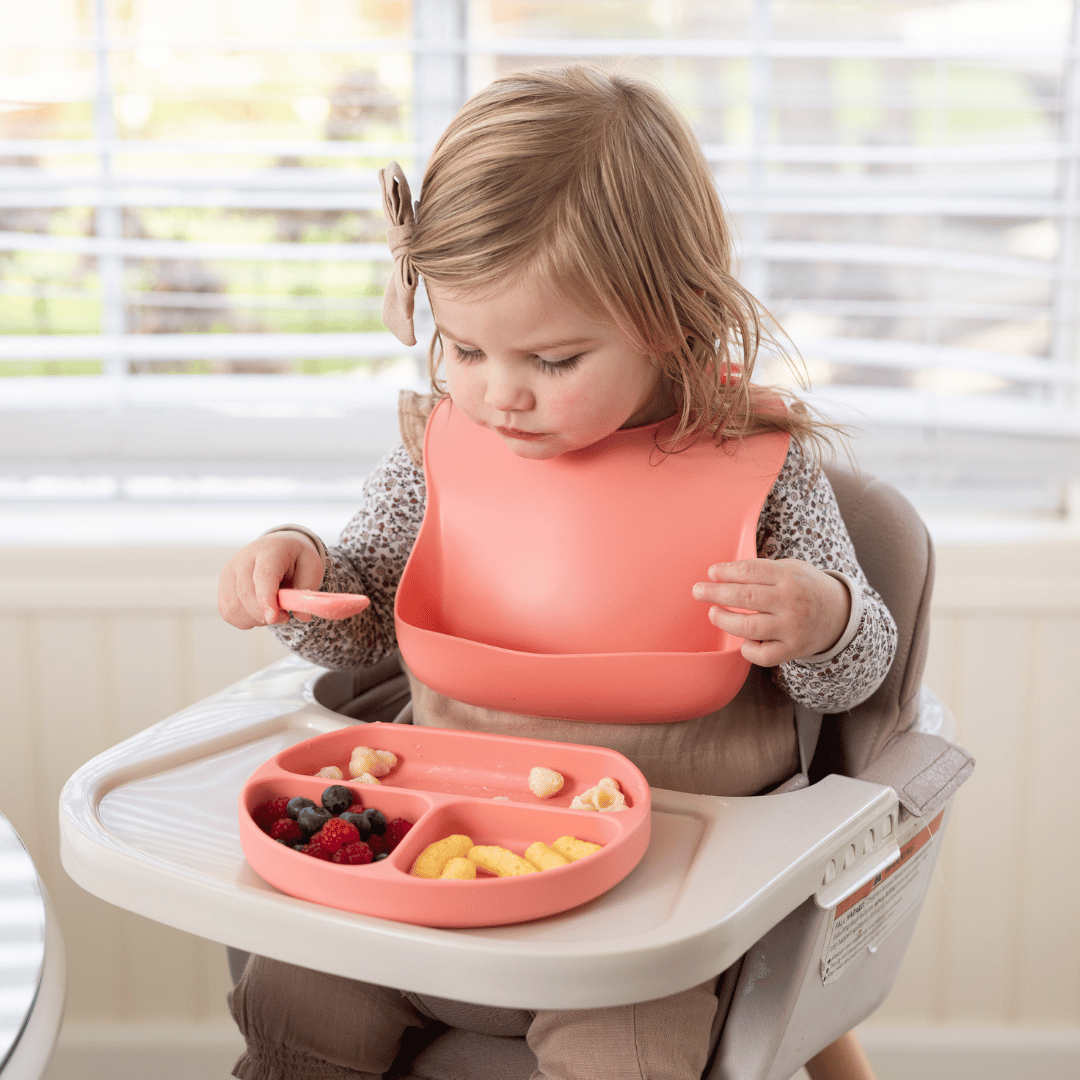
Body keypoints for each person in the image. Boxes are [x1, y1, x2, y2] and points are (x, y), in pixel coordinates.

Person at [219, 63, 897, 1080]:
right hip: (426, 854)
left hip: (654, 894)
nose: (500, 396)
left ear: (666, 319)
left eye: (553, 360)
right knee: (291, 999)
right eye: (468, 348)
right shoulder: (442, 448)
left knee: (631, 1057)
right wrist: (304, 577)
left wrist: (823, 622)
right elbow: (360, 625)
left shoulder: (758, 466)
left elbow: (857, 680)